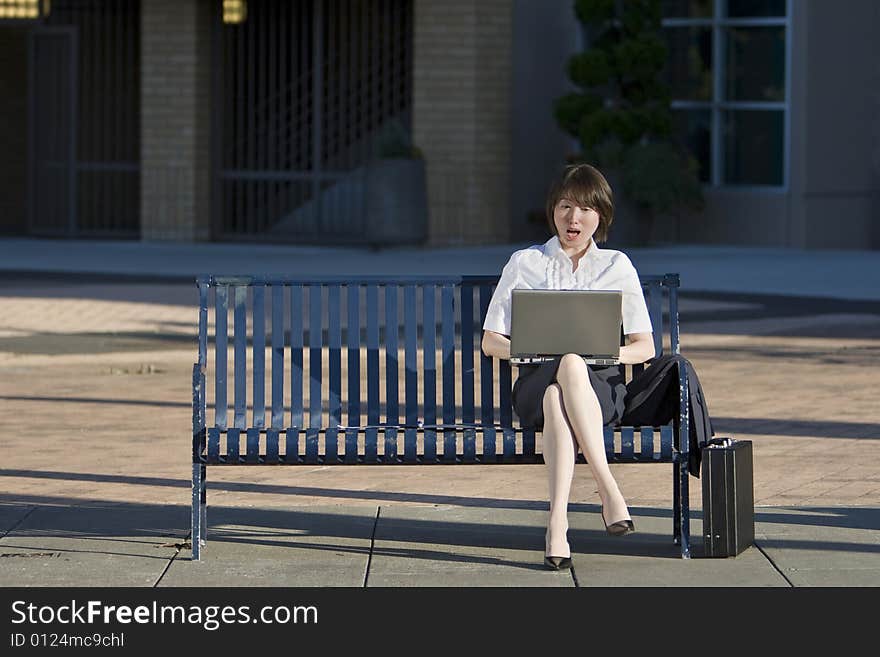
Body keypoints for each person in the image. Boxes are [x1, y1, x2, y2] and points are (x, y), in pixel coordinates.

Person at [481, 163, 713, 571]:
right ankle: (609, 491)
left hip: (599, 390)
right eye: (566, 206)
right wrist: (532, 350)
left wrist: (602, 354)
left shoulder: (616, 266)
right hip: (535, 381)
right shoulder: (525, 262)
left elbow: (643, 347)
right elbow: (491, 341)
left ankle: (557, 523)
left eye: (586, 209)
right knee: (560, 372)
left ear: (601, 216)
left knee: (563, 391)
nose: (574, 218)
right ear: (553, 210)